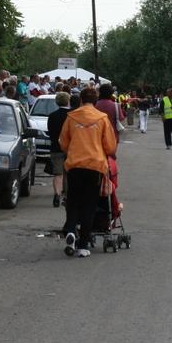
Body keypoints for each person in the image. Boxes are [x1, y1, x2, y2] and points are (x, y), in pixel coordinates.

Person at [59, 87, 117, 258]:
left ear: (81, 100)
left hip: (75, 164)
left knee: (73, 201)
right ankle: (83, 245)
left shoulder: (71, 117)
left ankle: (71, 230)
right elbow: (110, 146)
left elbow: (63, 142)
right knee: (89, 204)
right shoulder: (102, 118)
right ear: (95, 101)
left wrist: (74, 150)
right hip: (94, 165)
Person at [46, 91, 71, 207]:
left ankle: (57, 194)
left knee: (58, 173)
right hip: (70, 148)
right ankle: (67, 196)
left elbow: (50, 132)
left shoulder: (52, 116)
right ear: (68, 101)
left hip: (56, 148)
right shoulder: (72, 115)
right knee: (68, 173)